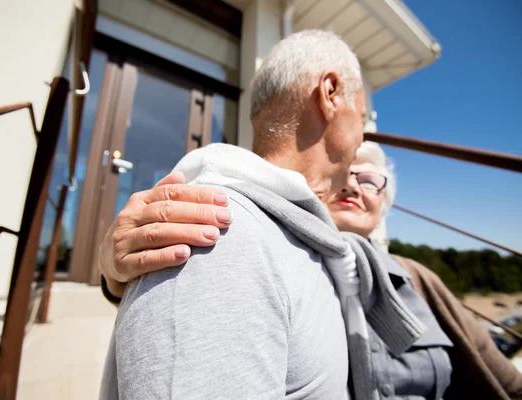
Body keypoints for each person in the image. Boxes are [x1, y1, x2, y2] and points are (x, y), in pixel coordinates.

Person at [100, 141, 522, 399]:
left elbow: (509, 384)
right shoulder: (281, 255)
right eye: (344, 174)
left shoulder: (417, 278)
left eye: (369, 180)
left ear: (383, 203)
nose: (353, 185)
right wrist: (115, 277)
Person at [100, 29, 383, 399]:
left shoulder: (305, 237)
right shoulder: (224, 239)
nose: (364, 135)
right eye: (361, 116)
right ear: (330, 94)